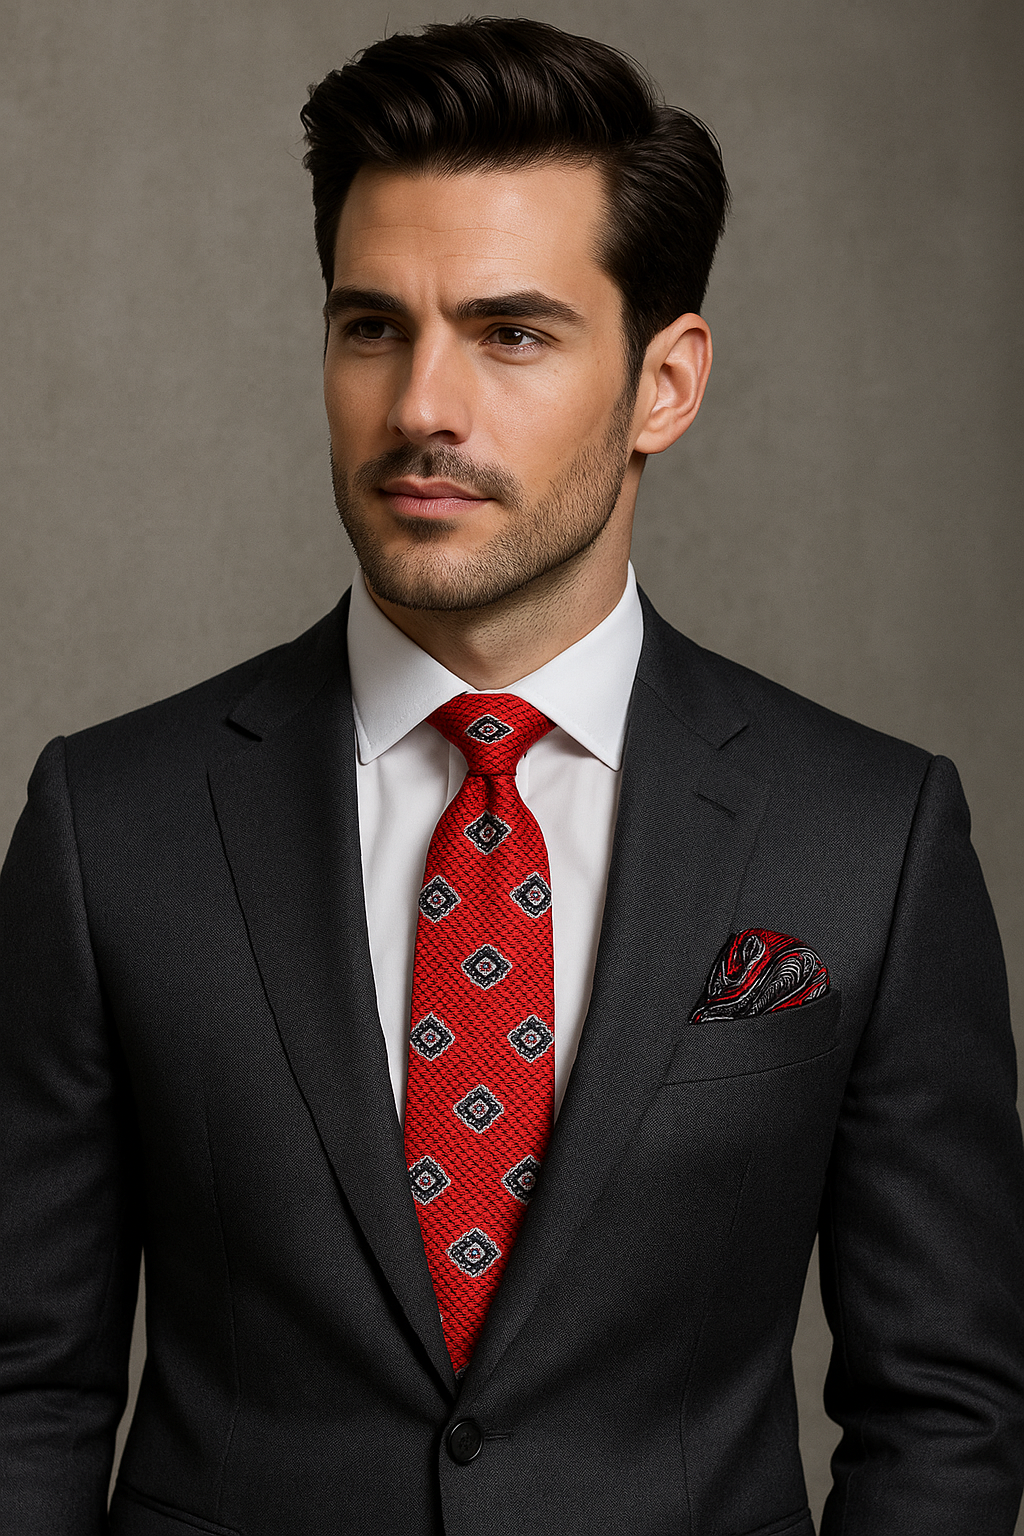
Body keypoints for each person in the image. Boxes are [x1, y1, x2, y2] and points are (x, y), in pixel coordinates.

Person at [1, 16, 1022, 1536]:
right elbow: (27, 1387)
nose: (422, 406)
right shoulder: (111, 825)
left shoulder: (867, 834)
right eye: (371, 328)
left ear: (665, 384)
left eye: (512, 332)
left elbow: (944, 1405)